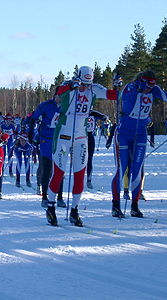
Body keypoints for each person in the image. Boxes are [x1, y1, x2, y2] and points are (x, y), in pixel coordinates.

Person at [46, 66, 118, 227]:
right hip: (63, 135)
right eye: (83, 83)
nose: (85, 87)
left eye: (88, 83)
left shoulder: (93, 88)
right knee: (58, 172)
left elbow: (113, 95)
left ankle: (75, 210)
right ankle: (50, 207)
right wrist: (72, 86)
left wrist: (117, 86)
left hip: (81, 137)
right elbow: (57, 96)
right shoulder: (68, 84)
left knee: (80, 175)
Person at [111, 70, 167, 218]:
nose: (150, 88)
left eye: (153, 85)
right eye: (147, 84)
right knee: (122, 168)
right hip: (124, 133)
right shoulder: (131, 87)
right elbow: (122, 96)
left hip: (140, 133)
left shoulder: (154, 89)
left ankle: (135, 205)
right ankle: (115, 205)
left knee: (137, 169)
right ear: (141, 80)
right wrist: (119, 87)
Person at [29, 88, 65, 208]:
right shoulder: (45, 106)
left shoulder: (66, 106)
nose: (60, 99)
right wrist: (30, 134)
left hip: (61, 140)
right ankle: (45, 197)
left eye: (63, 96)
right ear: (55, 96)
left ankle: (59, 197)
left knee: (60, 170)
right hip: (46, 140)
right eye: (59, 96)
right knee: (47, 168)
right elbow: (33, 118)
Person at [86, 110, 108, 189]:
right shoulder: (79, 112)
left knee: (89, 159)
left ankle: (89, 180)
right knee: (80, 160)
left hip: (90, 137)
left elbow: (103, 116)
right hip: (80, 137)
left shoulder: (93, 113)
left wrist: (104, 118)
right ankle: (78, 179)